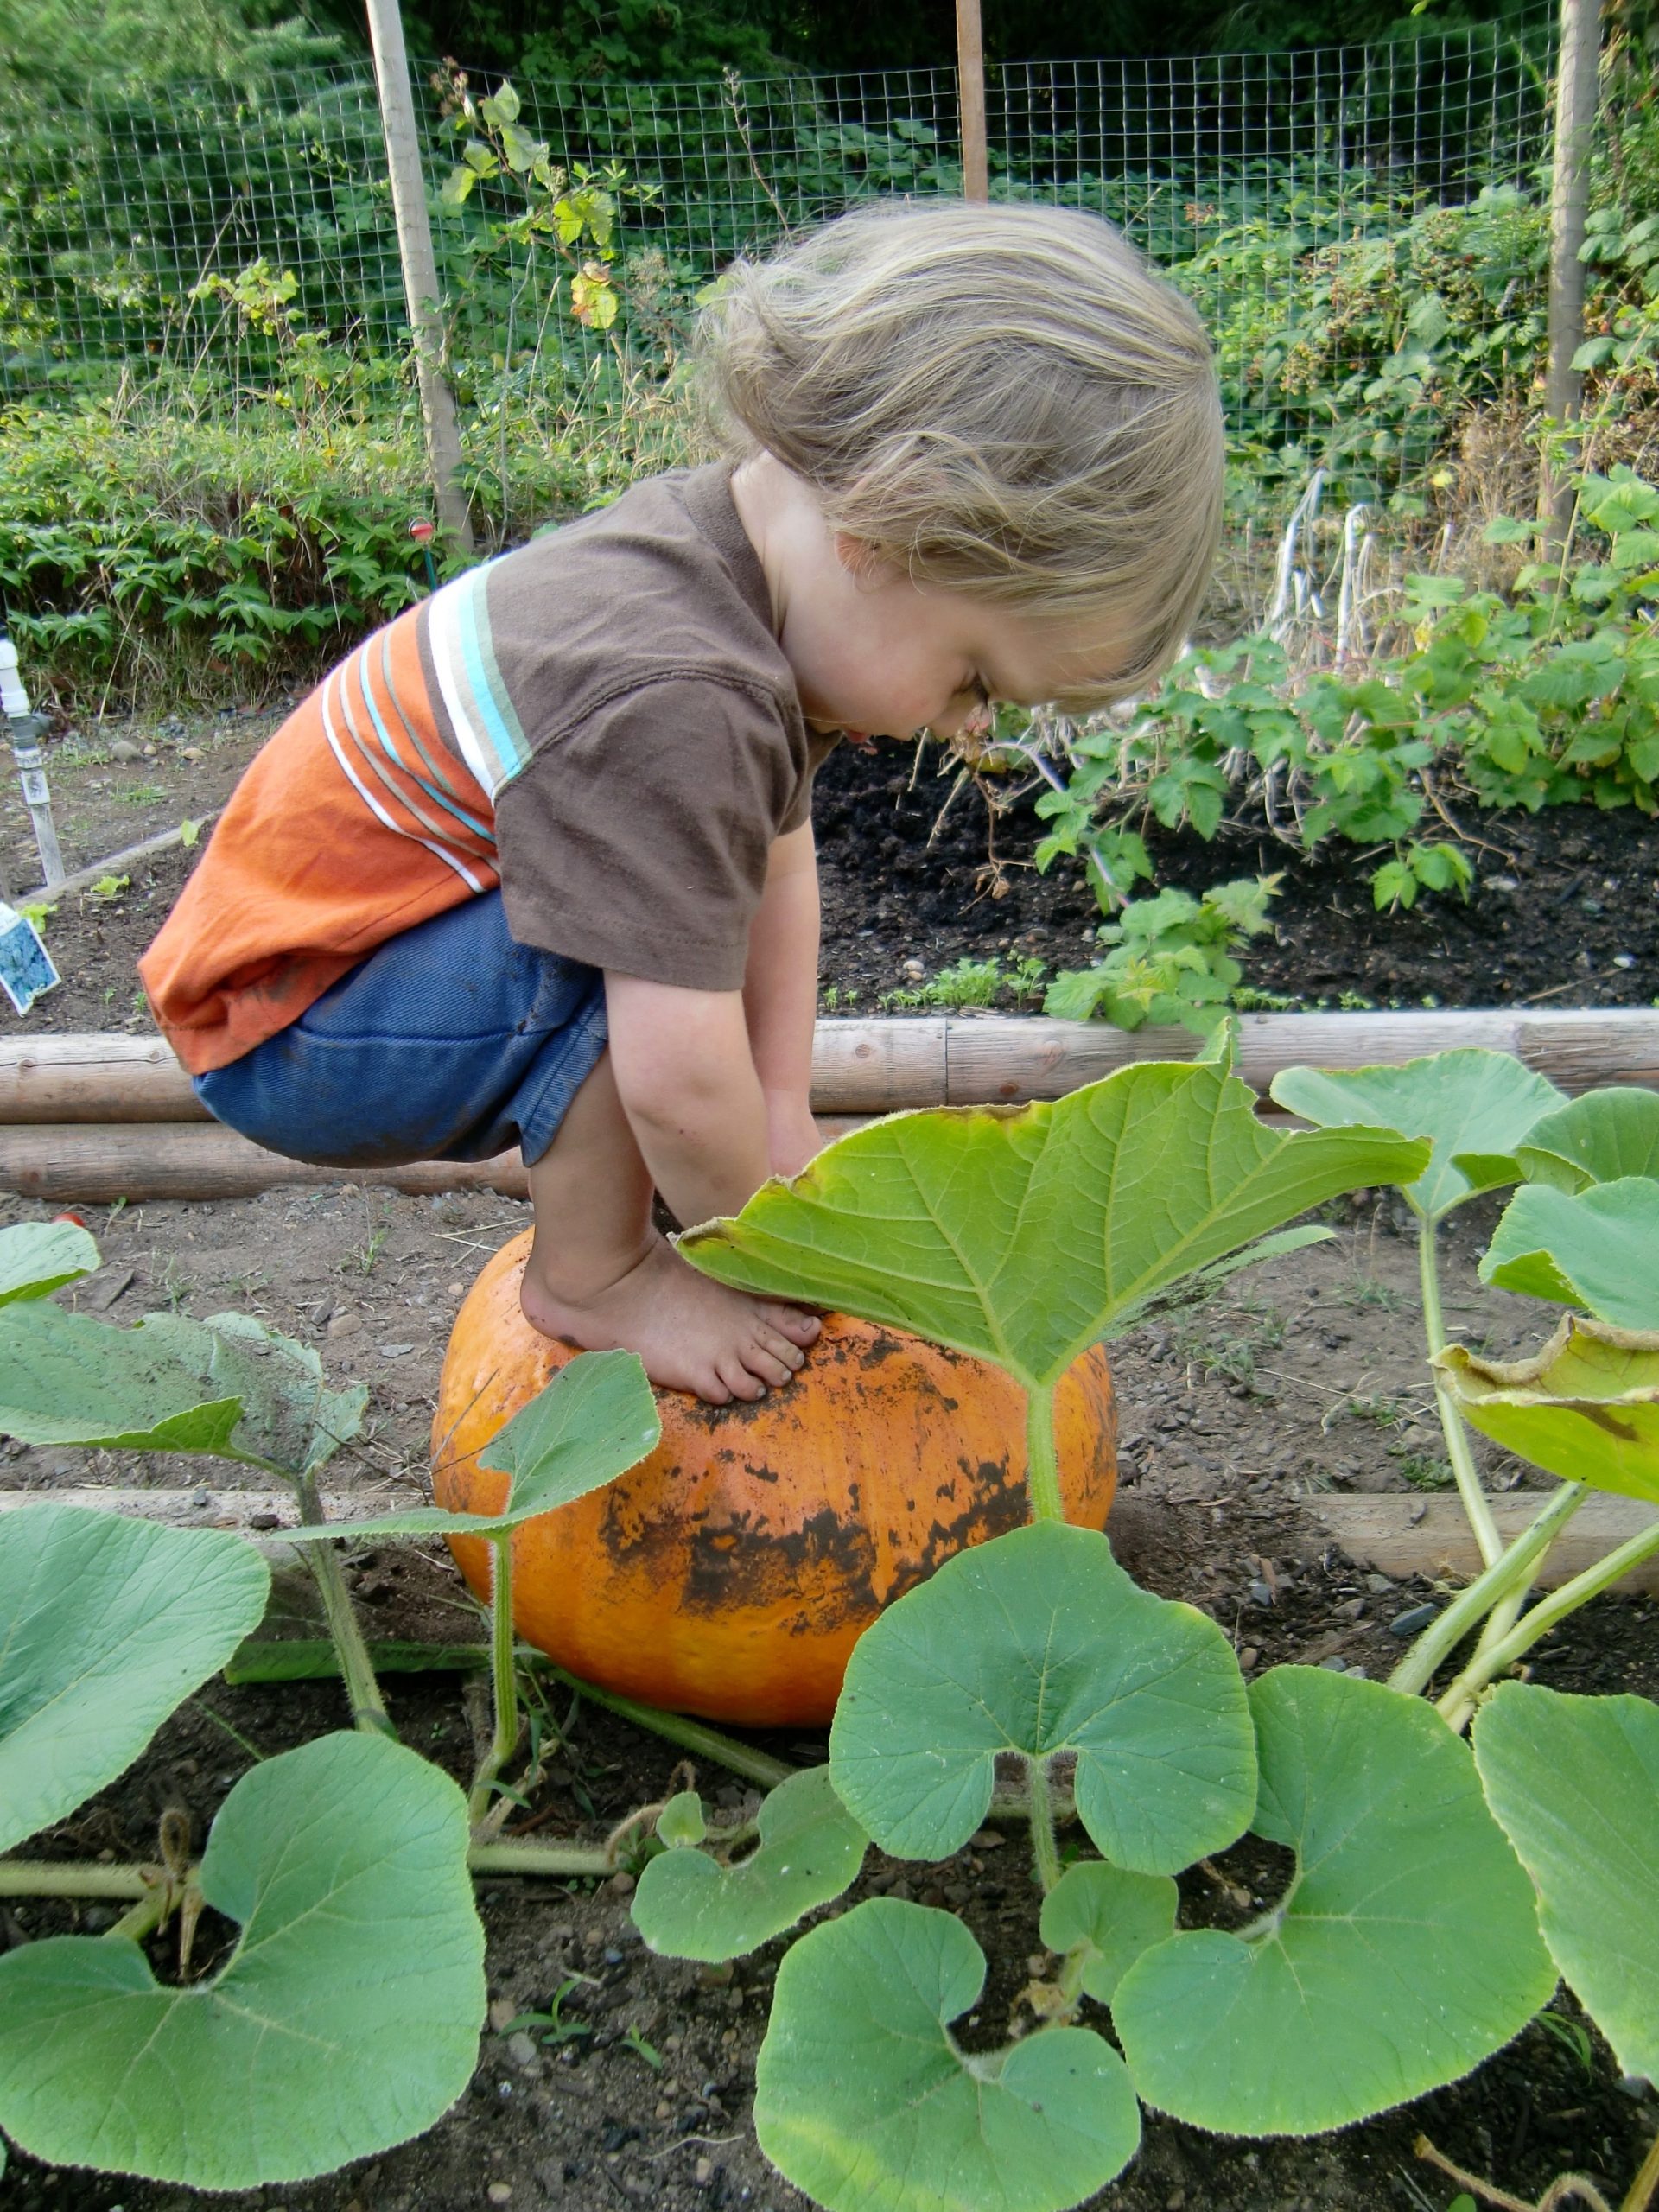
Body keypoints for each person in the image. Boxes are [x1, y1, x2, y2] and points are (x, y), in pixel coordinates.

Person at [139, 200, 1224, 1408]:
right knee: (645, 963)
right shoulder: (683, 695)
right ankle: (592, 1276)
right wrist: (786, 1248)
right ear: (886, 525)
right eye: (977, 679)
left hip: (348, 964)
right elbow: (669, 1074)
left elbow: (781, 860)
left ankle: (620, 1230)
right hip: (294, 1028)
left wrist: (778, 1113)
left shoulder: (733, 572)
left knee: (675, 937)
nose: (967, 727)